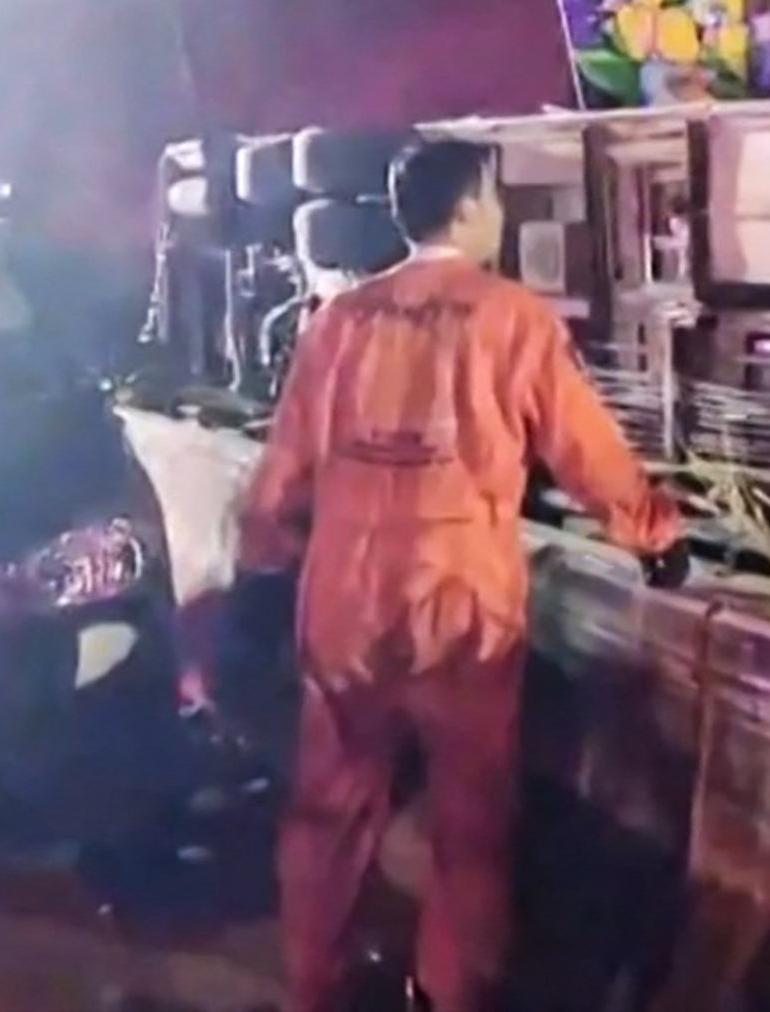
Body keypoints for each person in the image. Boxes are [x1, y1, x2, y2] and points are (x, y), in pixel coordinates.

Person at [236, 136, 689, 1012]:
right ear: (471, 208)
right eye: (496, 197)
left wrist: (264, 554)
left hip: (346, 593)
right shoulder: (511, 317)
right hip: (462, 599)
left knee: (330, 808)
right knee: (469, 822)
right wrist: (653, 531)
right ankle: (446, 991)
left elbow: (286, 465)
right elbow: (584, 448)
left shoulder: (340, 322)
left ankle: (314, 985)